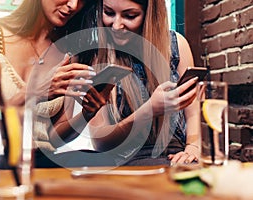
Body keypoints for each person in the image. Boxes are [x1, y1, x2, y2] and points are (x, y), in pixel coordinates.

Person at [52, 0, 200, 166]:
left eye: (130, 16)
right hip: (127, 162)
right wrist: (148, 111)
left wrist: (192, 148)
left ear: (148, 15)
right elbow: (101, 142)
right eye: (108, 12)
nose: (116, 26)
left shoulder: (176, 45)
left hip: (177, 157)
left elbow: (193, 113)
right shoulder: (96, 57)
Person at [0, 0, 99, 168]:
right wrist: (33, 92)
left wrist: (87, 114)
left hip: (37, 162)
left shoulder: (68, 53)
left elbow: (52, 139)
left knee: (94, 161)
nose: (74, 5)